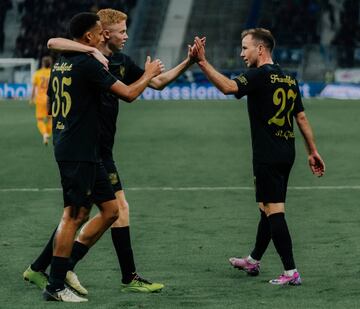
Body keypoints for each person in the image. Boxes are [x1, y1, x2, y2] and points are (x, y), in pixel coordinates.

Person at [24, 8, 198, 295]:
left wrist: (189, 61)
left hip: (96, 148)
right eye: (121, 31)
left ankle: (47, 268)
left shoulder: (119, 61)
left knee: (97, 211)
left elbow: (158, 82)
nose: (126, 36)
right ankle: (73, 272)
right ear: (102, 33)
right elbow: (54, 42)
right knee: (88, 212)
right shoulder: (85, 60)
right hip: (87, 149)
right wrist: (91, 53)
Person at [191, 28, 325, 285]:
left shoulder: (259, 76)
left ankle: (291, 272)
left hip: (267, 154)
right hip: (287, 151)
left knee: (274, 211)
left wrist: (202, 62)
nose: (242, 53)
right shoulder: (289, 78)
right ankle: (253, 260)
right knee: (266, 207)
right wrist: (313, 152)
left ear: (260, 49)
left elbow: (229, 87)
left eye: (245, 48)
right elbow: (301, 117)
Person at [30, 56, 53, 145]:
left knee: (39, 119)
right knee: (50, 118)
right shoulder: (53, 72)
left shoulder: (37, 73)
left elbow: (33, 88)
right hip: (50, 99)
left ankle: (45, 134)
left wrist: (31, 99)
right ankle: (48, 133)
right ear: (50, 63)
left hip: (40, 99)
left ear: (43, 63)